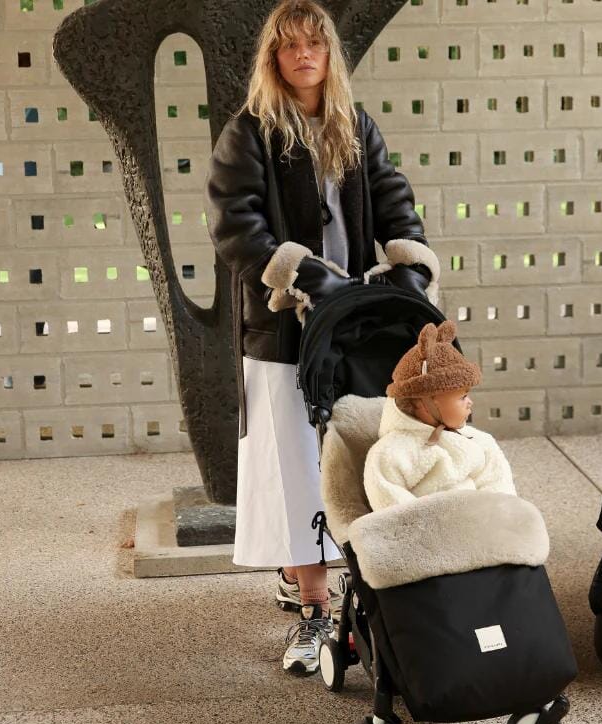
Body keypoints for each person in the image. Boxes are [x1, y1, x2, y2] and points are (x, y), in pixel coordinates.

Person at [204, 0, 440, 675]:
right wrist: (304, 274)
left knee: (354, 458)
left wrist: (408, 265)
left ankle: (341, 590)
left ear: (329, 53)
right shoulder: (249, 132)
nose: (304, 54)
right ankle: (312, 611)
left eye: (315, 43)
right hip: (282, 329)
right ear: (274, 58)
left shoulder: (355, 124)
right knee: (294, 470)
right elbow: (236, 226)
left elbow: (394, 200)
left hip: (351, 325)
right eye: (290, 46)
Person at [364, 320, 516, 512]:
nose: (470, 402)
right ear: (422, 403)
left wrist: (496, 518)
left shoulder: (479, 441)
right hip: (427, 526)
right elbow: (392, 508)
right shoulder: (391, 454)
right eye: (463, 397)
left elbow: (499, 485)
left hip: (478, 521)